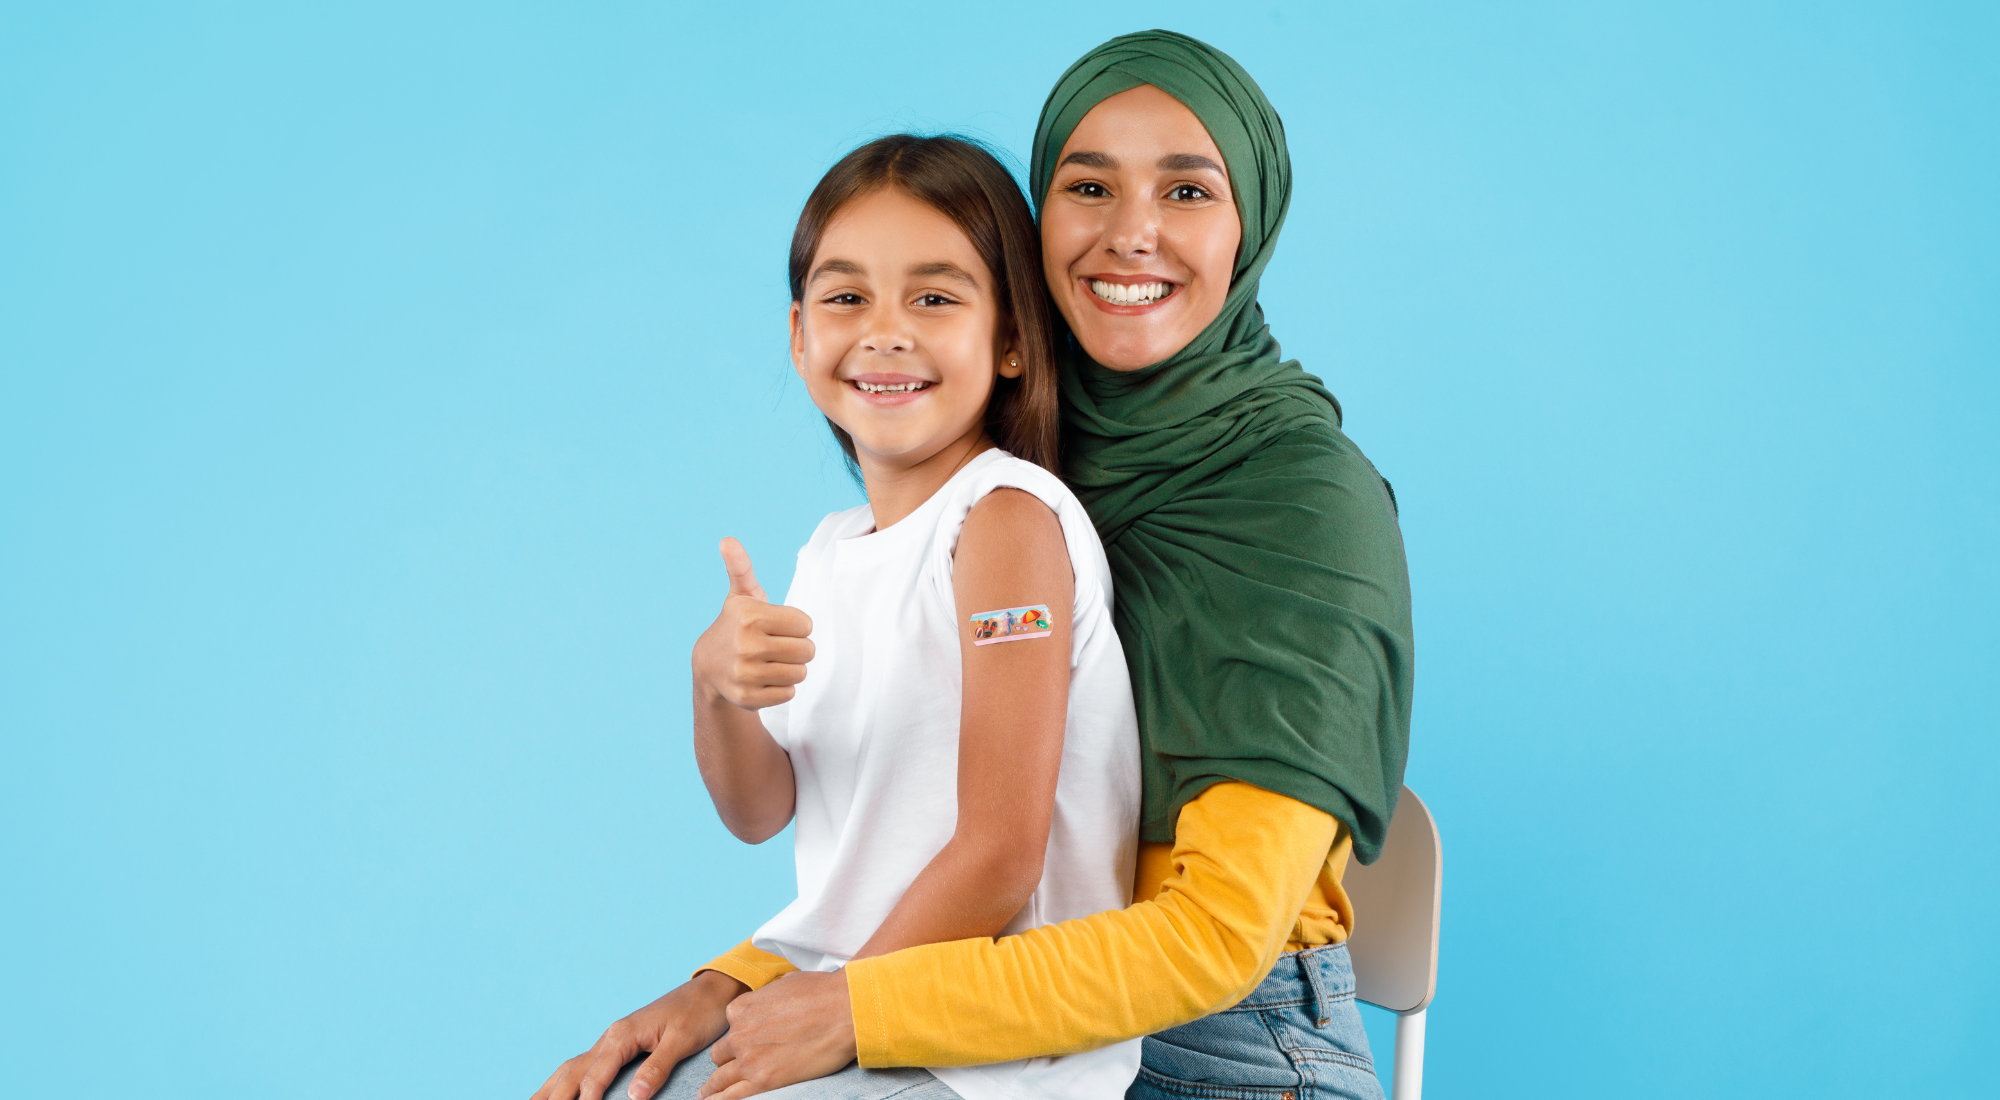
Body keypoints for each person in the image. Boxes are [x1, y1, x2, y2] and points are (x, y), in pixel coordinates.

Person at [540, 29, 1414, 1100]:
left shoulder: (1290, 502)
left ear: (1252, 224)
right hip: (976, 990)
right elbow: (902, 833)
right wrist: (731, 984)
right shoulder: (997, 457)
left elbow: (1200, 935)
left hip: (1221, 1043)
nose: (1130, 233)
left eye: (1187, 192)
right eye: (1088, 185)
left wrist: (853, 1005)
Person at [529, 134, 1144, 1100]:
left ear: (1015, 338)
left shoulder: (1005, 521)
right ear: (798, 336)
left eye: (935, 297)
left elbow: (1001, 854)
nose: (884, 331)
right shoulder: (828, 549)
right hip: (850, 993)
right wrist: (715, 687)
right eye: (846, 297)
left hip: (989, 1050)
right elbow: (759, 810)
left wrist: (835, 1005)